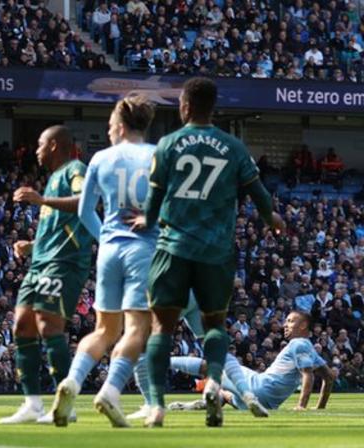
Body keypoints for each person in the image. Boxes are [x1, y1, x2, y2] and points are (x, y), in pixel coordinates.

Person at [127, 77, 284, 427]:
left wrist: (145, 218)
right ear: (213, 108)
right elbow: (259, 194)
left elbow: (154, 200)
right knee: (214, 325)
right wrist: (271, 218)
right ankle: (213, 381)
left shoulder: (168, 144)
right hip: (215, 251)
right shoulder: (233, 147)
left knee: (161, 328)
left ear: (184, 106)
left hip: (173, 248)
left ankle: (157, 406)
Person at [52, 95, 158, 427]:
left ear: (122, 127)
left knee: (104, 330)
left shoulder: (100, 158)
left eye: (110, 126)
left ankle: (72, 382)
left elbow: (85, 212)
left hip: (109, 250)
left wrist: (107, 239)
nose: (108, 131)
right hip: (144, 251)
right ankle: (111, 390)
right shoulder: (158, 156)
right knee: (137, 328)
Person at [0, 125, 92, 424]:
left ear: (54, 145)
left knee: (49, 326)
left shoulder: (75, 170)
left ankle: (65, 405)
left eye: (40, 144)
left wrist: (41, 200)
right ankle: (32, 404)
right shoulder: (52, 179)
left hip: (64, 262)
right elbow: (57, 228)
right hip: (41, 260)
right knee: (22, 325)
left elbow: (85, 201)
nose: (36, 150)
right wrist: (32, 246)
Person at [168, 311, 335, 413]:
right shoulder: (310, 348)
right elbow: (329, 378)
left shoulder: (298, 343)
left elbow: (308, 375)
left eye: (290, 321)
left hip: (259, 386)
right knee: (225, 394)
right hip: (267, 404)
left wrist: (302, 406)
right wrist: (319, 408)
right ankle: (198, 405)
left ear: (303, 325)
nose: (285, 324)